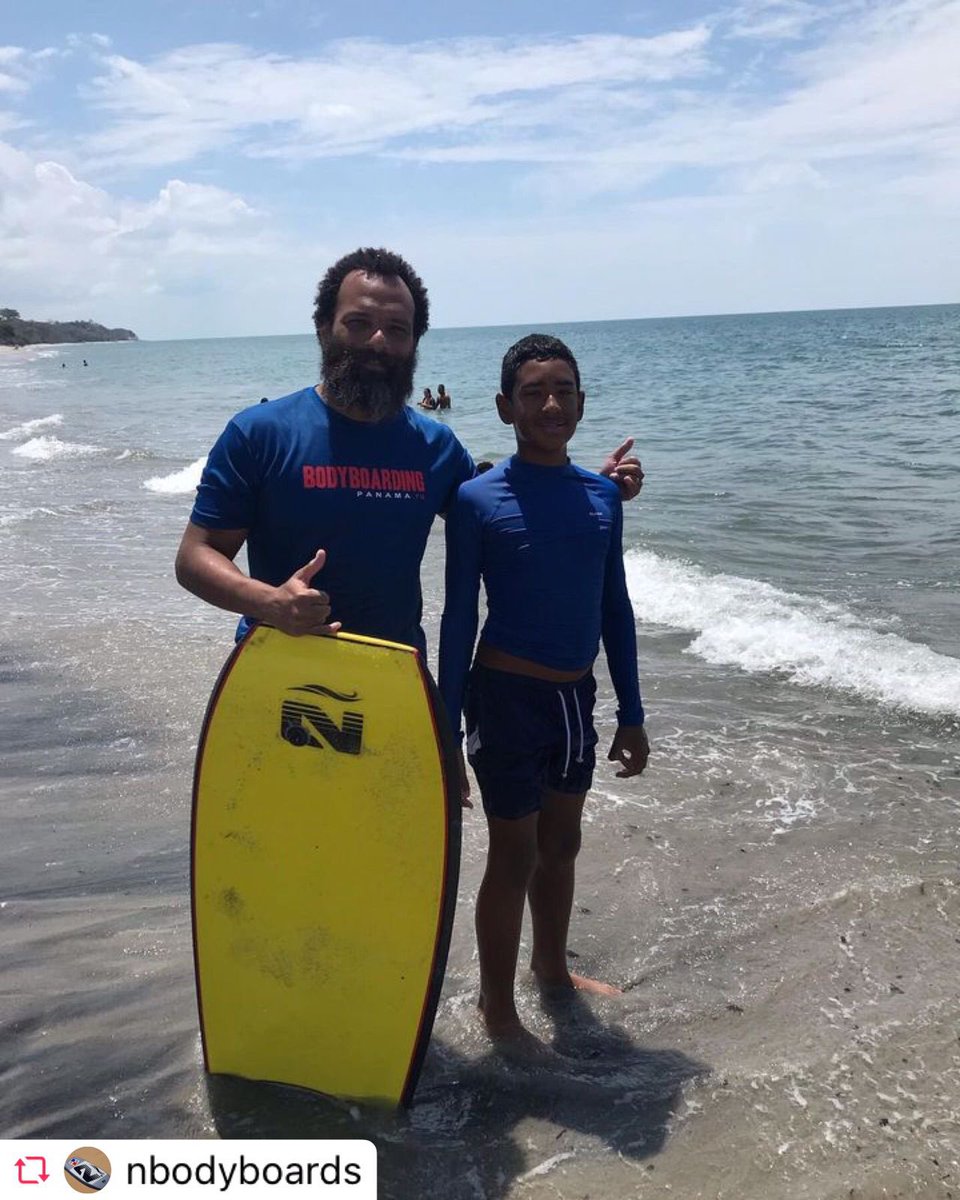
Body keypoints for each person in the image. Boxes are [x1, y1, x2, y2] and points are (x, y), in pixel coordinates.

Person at [175, 246, 643, 673]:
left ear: (414, 343)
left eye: (397, 329)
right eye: (359, 323)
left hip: (394, 677)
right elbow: (196, 556)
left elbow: (502, 507)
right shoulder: (260, 433)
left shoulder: (435, 448)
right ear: (324, 328)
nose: (379, 341)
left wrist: (585, 486)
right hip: (278, 666)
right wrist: (270, 601)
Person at [438, 333, 650, 1056]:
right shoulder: (476, 500)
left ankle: (552, 970)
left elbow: (613, 606)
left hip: (575, 700)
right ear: (505, 407)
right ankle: (498, 1010)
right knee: (514, 852)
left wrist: (632, 712)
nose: (550, 403)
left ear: (582, 402)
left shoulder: (601, 496)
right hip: (503, 699)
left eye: (563, 390)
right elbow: (459, 616)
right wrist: (444, 730)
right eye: (533, 392)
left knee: (563, 842)